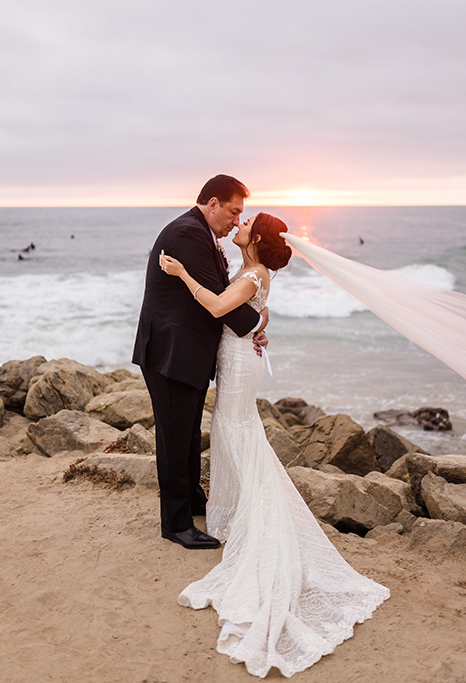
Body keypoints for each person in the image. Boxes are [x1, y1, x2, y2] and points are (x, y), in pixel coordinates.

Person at [159, 211, 390, 678]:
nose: (239, 225)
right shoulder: (250, 271)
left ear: (256, 239)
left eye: (246, 224)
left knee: (235, 428)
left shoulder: (251, 274)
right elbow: (251, 313)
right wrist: (261, 320)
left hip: (239, 363)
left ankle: (246, 512)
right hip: (238, 355)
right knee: (234, 431)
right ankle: (236, 507)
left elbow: (220, 307)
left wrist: (183, 272)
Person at [132, 174, 269, 550]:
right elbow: (221, 301)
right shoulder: (189, 234)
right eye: (233, 211)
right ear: (212, 203)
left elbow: (219, 293)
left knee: (188, 433)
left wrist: (255, 322)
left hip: (185, 352)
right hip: (170, 353)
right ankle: (175, 523)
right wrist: (258, 321)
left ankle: (191, 499)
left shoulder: (200, 232)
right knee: (175, 437)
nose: (236, 221)